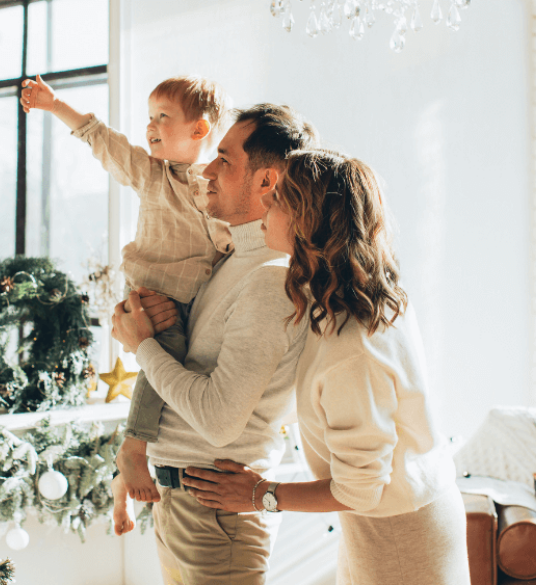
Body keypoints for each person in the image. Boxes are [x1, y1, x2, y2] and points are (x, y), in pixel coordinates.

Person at [173, 149, 470, 584]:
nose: (265, 207)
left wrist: (261, 495)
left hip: (400, 535)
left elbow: (360, 489)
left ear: (306, 220)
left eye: (277, 201)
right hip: (390, 518)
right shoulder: (351, 294)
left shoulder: (352, 349)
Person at [111, 104, 318, 584]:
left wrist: (143, 346)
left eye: (224, 159)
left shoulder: (270, 279)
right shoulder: (229, 260)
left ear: (267, 182)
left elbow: (220, 421)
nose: (206, 169)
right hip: (183, 504)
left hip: (213, 515)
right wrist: (138, 325)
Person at [19, 74, 233, 534]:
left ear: (199, 130)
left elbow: (232, 237)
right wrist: (55, 105)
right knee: (166, 358)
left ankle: (122, 484)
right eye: (149, 116)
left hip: (193, 303)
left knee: (178, 390)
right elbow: (102, 138)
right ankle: (133, 451)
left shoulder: (215, 183)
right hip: (154, 295)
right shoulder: (152, 175)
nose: (150, 126)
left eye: (163, 117)